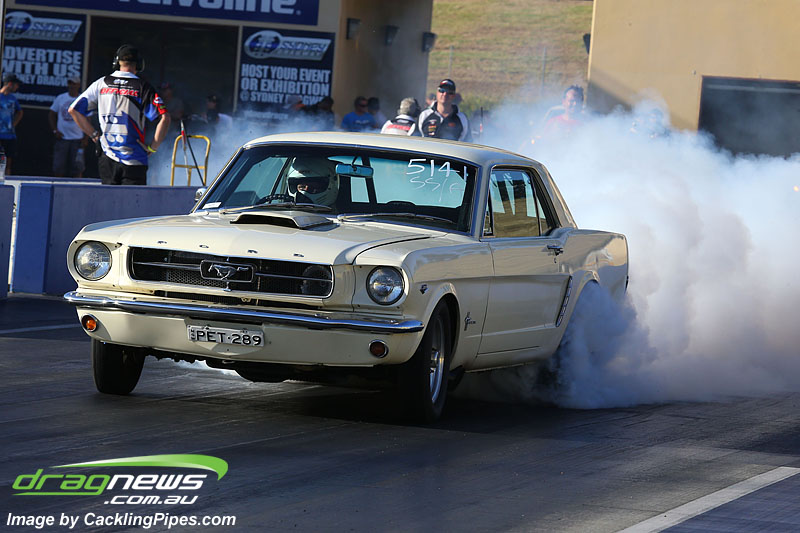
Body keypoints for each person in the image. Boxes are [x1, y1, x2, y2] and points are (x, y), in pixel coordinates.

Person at [69, 44, 170, 185]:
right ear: (139, 64)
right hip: (134, 158)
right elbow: (165, 118)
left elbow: (73, 110)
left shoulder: (101, 83)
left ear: (117, 62)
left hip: (107, 156)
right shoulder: (143, 87)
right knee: (134, 199)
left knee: (109, 198)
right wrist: (152, 147)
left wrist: (94, 135)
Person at [49, 76, 86, 177]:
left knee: (77, 168)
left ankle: (78, 186)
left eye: (74, 83)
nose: (72, 86)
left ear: (78, 85)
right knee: (58, 167)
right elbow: (52, 114)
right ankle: (57, 186)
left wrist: (86, 137)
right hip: (62, 139)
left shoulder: (83, 99)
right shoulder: (61, 98)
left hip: (78, 139)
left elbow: (88, 119)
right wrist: (55, 130)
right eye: (70, 83)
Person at [0, 73, 24, 175]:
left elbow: (20, 112)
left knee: (8, 163)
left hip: (10, 136)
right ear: (10, 84)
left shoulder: (13, 98)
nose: (17, 87)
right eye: (16, 84)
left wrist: (13, 124)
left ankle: (6, 182)